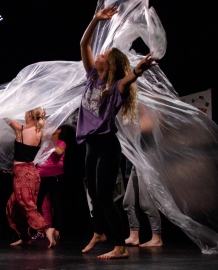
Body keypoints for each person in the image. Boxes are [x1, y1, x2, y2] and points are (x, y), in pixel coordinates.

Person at [76, 5, 157, 259]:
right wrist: (95, 19)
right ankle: (99, 232)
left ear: (109, 64)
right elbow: (83, 43)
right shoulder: (91, 76)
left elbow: (128, 79)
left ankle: (120, 246)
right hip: (91, 144)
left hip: (107, 146)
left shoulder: (114, 88)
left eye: (105, 54)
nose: (99, 54)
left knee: (104, 195)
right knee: (94, 192)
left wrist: (138, 71)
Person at [5, 107, 56, 248]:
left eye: (25, 114)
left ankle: (47, 229)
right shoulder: (40, 132)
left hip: (22, 175)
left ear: (28, 115)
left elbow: (4, 115)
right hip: (33, 174)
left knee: (29, 207)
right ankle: (25, 237)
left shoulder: (20, 129)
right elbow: (50, 132)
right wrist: (43, 119)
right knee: (13, 206)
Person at [33, 124, 74, 241]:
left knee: (57, 205)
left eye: (54, 127)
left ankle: (57, 231)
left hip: (55, 177)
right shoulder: (43, 143)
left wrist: (50, 141)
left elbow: (59, 152)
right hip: (41, 176)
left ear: (59, 130)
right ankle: (41, 230)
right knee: (37, 204)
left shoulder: (61, 143)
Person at [123, 166, 163, 247]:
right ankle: (134, 236)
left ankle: (157, 237)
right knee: (128, 202)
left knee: (146, 202)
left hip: (144, 160)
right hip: (135, 162)